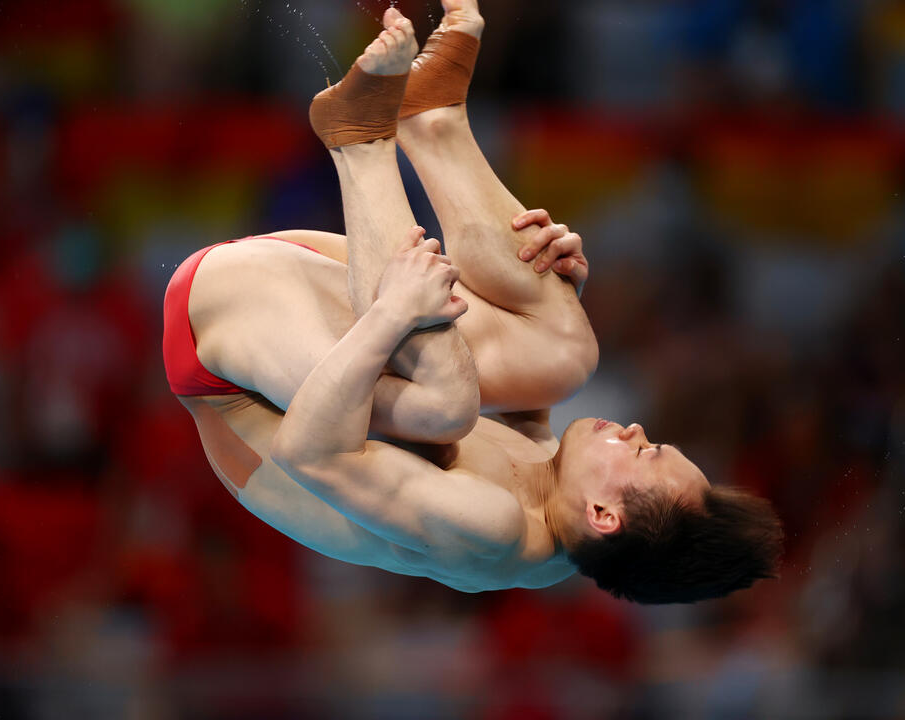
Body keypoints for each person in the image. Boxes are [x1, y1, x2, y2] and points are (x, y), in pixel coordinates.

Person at [163, 1, 783, 602]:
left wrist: (390, 317)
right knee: (562, 356)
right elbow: (517, 417)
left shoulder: (493, 530)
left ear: (602, 514)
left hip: (223, 347)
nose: (638, 430)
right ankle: (434, 121)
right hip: (309, 298)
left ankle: (360, 140)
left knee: (445, 406)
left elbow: (309, 452)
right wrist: (548, 294)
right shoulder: (554, 496)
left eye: (644, 453)